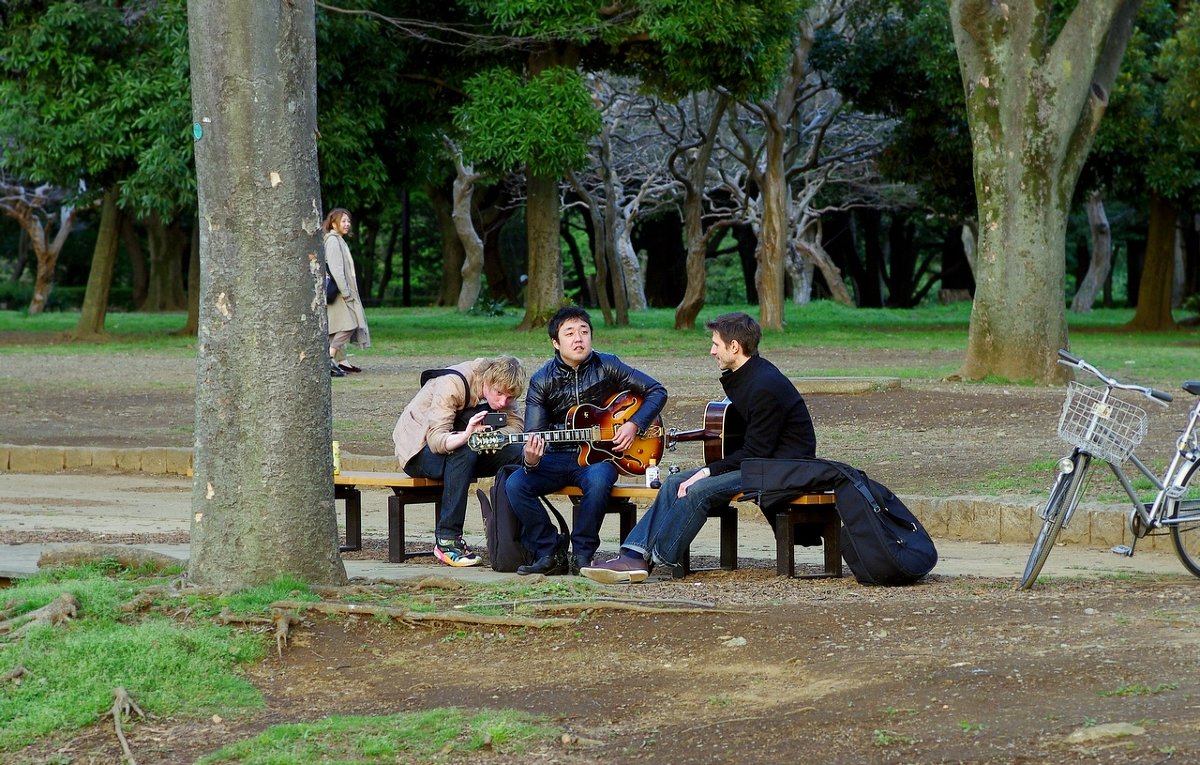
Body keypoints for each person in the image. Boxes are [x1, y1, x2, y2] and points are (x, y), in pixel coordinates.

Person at [581, 311, 816, 583]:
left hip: (781, 467)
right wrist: (707, 468)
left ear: (735, 347)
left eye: (716, 344)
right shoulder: (745, 376)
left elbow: (756, 453)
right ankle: (634, 555)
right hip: (760, 462)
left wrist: (707, 472)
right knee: (675, 482)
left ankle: (658, 555)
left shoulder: (763, 384)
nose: (712, 351)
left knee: (696, 489)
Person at [508, 306, 668, 576]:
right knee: (515, 484)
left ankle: (582, 553)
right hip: (556, 455)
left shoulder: (608, 365)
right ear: (556, 343)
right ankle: (550, 551)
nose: (578, 338)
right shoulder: (542, 380)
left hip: (600, 457)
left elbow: (656, 391)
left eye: (584, 331)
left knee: (598, 479)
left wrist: (633, 424)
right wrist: (531, 459)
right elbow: (534, 434)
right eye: (569, 333)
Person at [393, 356, 527, 567]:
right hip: (418, 450)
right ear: (487, 381)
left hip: (464, 450)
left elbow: (516, 428)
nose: (503, 402)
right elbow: (436, 439)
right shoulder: (453, 383)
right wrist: (467, 436)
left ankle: (519, 537)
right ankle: (447, 540)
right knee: (465, 450)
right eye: (499, 394)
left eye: (510, 397)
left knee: (519, 452)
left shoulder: (505, 386)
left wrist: (490, 435)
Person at [323, 208, 370, 376]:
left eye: (348, 221)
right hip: (339, 293)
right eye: (343, 221)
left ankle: (339, 362)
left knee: (335, 330)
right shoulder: (333, 241)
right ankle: (328, 358)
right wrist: (345, 292)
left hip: (341, 292)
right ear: (333, 222)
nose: (347, 224)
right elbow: (336, 269)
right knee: (349, 325)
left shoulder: (338, 240)